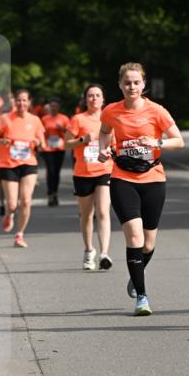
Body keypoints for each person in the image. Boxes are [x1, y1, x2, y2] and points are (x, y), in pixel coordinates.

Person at [98, 62, 184, 315]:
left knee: (148, 243)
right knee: (134, 236)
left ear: (143, 84)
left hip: (154, 179)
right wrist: (104, 148)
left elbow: (179, 141)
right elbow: (104, 132)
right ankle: (142, 297)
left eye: (136, 82)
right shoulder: (111, 111)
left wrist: (157, 141)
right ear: (120, 85)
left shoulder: (157, 111)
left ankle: (136, 273)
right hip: (123, 178)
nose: (131, 86)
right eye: (127, 83)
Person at [65, 84, 113, 270]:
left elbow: (115, 144)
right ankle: (88, 250)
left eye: (97, 95)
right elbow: (66, 144)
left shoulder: (109, 119)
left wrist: (109, 150)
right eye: (90, 96)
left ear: (103, 99)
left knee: (103, 211)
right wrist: (82, 140)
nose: (94, 98)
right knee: (87, 214)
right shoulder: (78, 119)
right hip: (83, 173)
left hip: (104, 170)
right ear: (85, 99)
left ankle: (104, 253)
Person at [0, 88, 45, 248]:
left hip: (28, 163)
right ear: (14, 102)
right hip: (8, 164)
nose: (21, 103)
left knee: (26, 201)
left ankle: (19, 235)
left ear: (29, 102)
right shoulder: (5, 119)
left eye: (24, 100)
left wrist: (37, 143)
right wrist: (2, 142)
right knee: (13, 204)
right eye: (18, 100)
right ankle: (9, 214)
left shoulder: (35, 120)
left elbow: (42, 143)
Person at [40, 99, 70, 206]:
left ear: (59, 107)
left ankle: (55, 193)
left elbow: (70, 133)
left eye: (55, 106)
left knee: (56, 172)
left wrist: (62, 129)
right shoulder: (44, 119)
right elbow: (41, 133)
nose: (53, 108)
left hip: (60, 148)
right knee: (50, 171)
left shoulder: (64, 118)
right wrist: (41, 144)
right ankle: (50, 193)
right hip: (48, 148)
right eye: (52, 106)